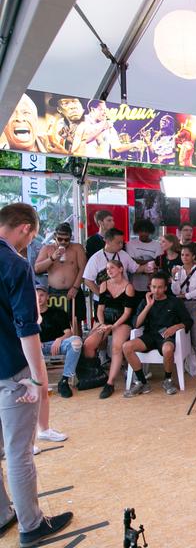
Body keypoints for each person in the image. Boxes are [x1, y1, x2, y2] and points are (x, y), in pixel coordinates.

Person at [0, 203, 73, 545]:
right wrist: (37, 377)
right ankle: (31, 524)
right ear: (26, 229)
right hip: (11, 368)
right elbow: (27, 329)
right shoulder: (15, 264)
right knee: (19, 452)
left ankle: (2, 514)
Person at [122, 272, 193, 397]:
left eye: (160, 287)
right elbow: (136, 324)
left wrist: (175, 327)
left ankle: (168, 380)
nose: (156, 290)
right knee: (126, 347)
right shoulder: (145, 302)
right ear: (150, 287)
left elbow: (188, 321)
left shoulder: (174, 302)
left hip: (166, 336)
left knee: (168, 349)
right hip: (150, 335)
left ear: (165, 288)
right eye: (153, 287)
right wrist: (148, 306)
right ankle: (142, 382)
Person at [82, 259, 137, 399]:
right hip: (105, 319)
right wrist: (101, 323)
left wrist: (114, 325)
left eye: (112, 268)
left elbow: (127, 313)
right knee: (89, 343)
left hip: (121, 320)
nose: (109, 271)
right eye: (107, 269)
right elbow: (99, 309)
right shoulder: (104, 285)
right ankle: (96, 374)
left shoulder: (128, 287)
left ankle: (110, 382)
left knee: (116, 347)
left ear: (121, 269)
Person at [34, 222, 87, 333]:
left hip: (73, 289)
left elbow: (83, 269)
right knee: (55, 322)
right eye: (60, 239)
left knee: (76, 321)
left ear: (70, 238)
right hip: (54, 292)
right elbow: (37, 268)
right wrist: (52, 258)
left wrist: (75, 287)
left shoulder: (77, 248)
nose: (63, 242)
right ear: (54, 237)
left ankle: (77, 346)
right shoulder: (47, 248)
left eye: (66, 240)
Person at [35, 283, 82, 400]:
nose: (39, 298)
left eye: (42, 295)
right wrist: (35, 342)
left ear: (47, 297)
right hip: (37, 348)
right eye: (36, 296)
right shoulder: (29, 315)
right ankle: (34, 384)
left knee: (77, 341)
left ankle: (64, 381)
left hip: (58, 345)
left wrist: (59, 339)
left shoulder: (58, 313)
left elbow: (68, 333)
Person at [83, 228, 143, 312]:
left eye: (122, 242)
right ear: (107, 241)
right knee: (103, 324)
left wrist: (147, 267)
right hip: (103, 302)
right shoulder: (96, 258)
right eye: (118, 242)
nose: (121, 245)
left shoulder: (124, 254)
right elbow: (87, 280)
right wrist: (101, 296)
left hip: (123, 299)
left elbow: (136, 269)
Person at [171, 244, 196, 379]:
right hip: (179, 306)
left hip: (193, 305)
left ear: (193, 256)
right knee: (181, 337)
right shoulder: (178, 270)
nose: (184, 257)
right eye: (182, 255)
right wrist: (174, 277)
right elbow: (174, 291)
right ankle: (187, 364)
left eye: (187, 255)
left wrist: (185, 295)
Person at [125, 219, 162, 304]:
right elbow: (131, 261)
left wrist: (140, 261)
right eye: (141, 231)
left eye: (146, 231)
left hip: (152, 285)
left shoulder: (157, 245)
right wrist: (151, 261)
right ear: (137, 231)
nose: (144, 234)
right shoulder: (130, 244)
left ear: (150, 232)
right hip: (134, 285)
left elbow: (158, 262)